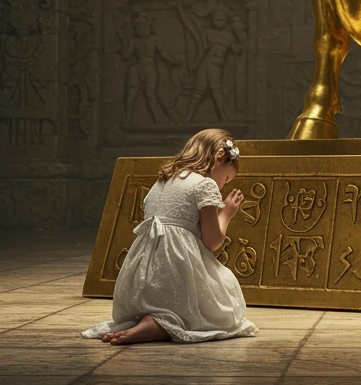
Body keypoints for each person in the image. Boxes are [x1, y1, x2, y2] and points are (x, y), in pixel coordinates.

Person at [82, 128, 258, 344]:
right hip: (177, 267)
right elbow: (212, 242)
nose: (224, 185)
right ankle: (159, 325)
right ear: (219, 157)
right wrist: (227, 213)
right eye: (227, 178)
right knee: (226, 299)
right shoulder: (205, 184)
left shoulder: (163, 181)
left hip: (141, 275)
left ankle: (148, 320)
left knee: (160, 303)